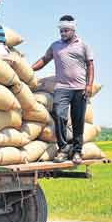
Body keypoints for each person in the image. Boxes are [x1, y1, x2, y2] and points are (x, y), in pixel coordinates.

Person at [31, 15, 95, 164]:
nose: (63, 33)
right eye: (61, 31)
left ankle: (77, 151)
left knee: (78, 120)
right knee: (59, 114)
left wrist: (89, 85)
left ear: (73, 30)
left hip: (80, 88)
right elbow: (44, 60)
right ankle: (63, 148)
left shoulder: (83, 46)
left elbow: (90, 65)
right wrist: (29, 70)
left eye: (66, 30)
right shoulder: (55, 46)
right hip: (62, 87)